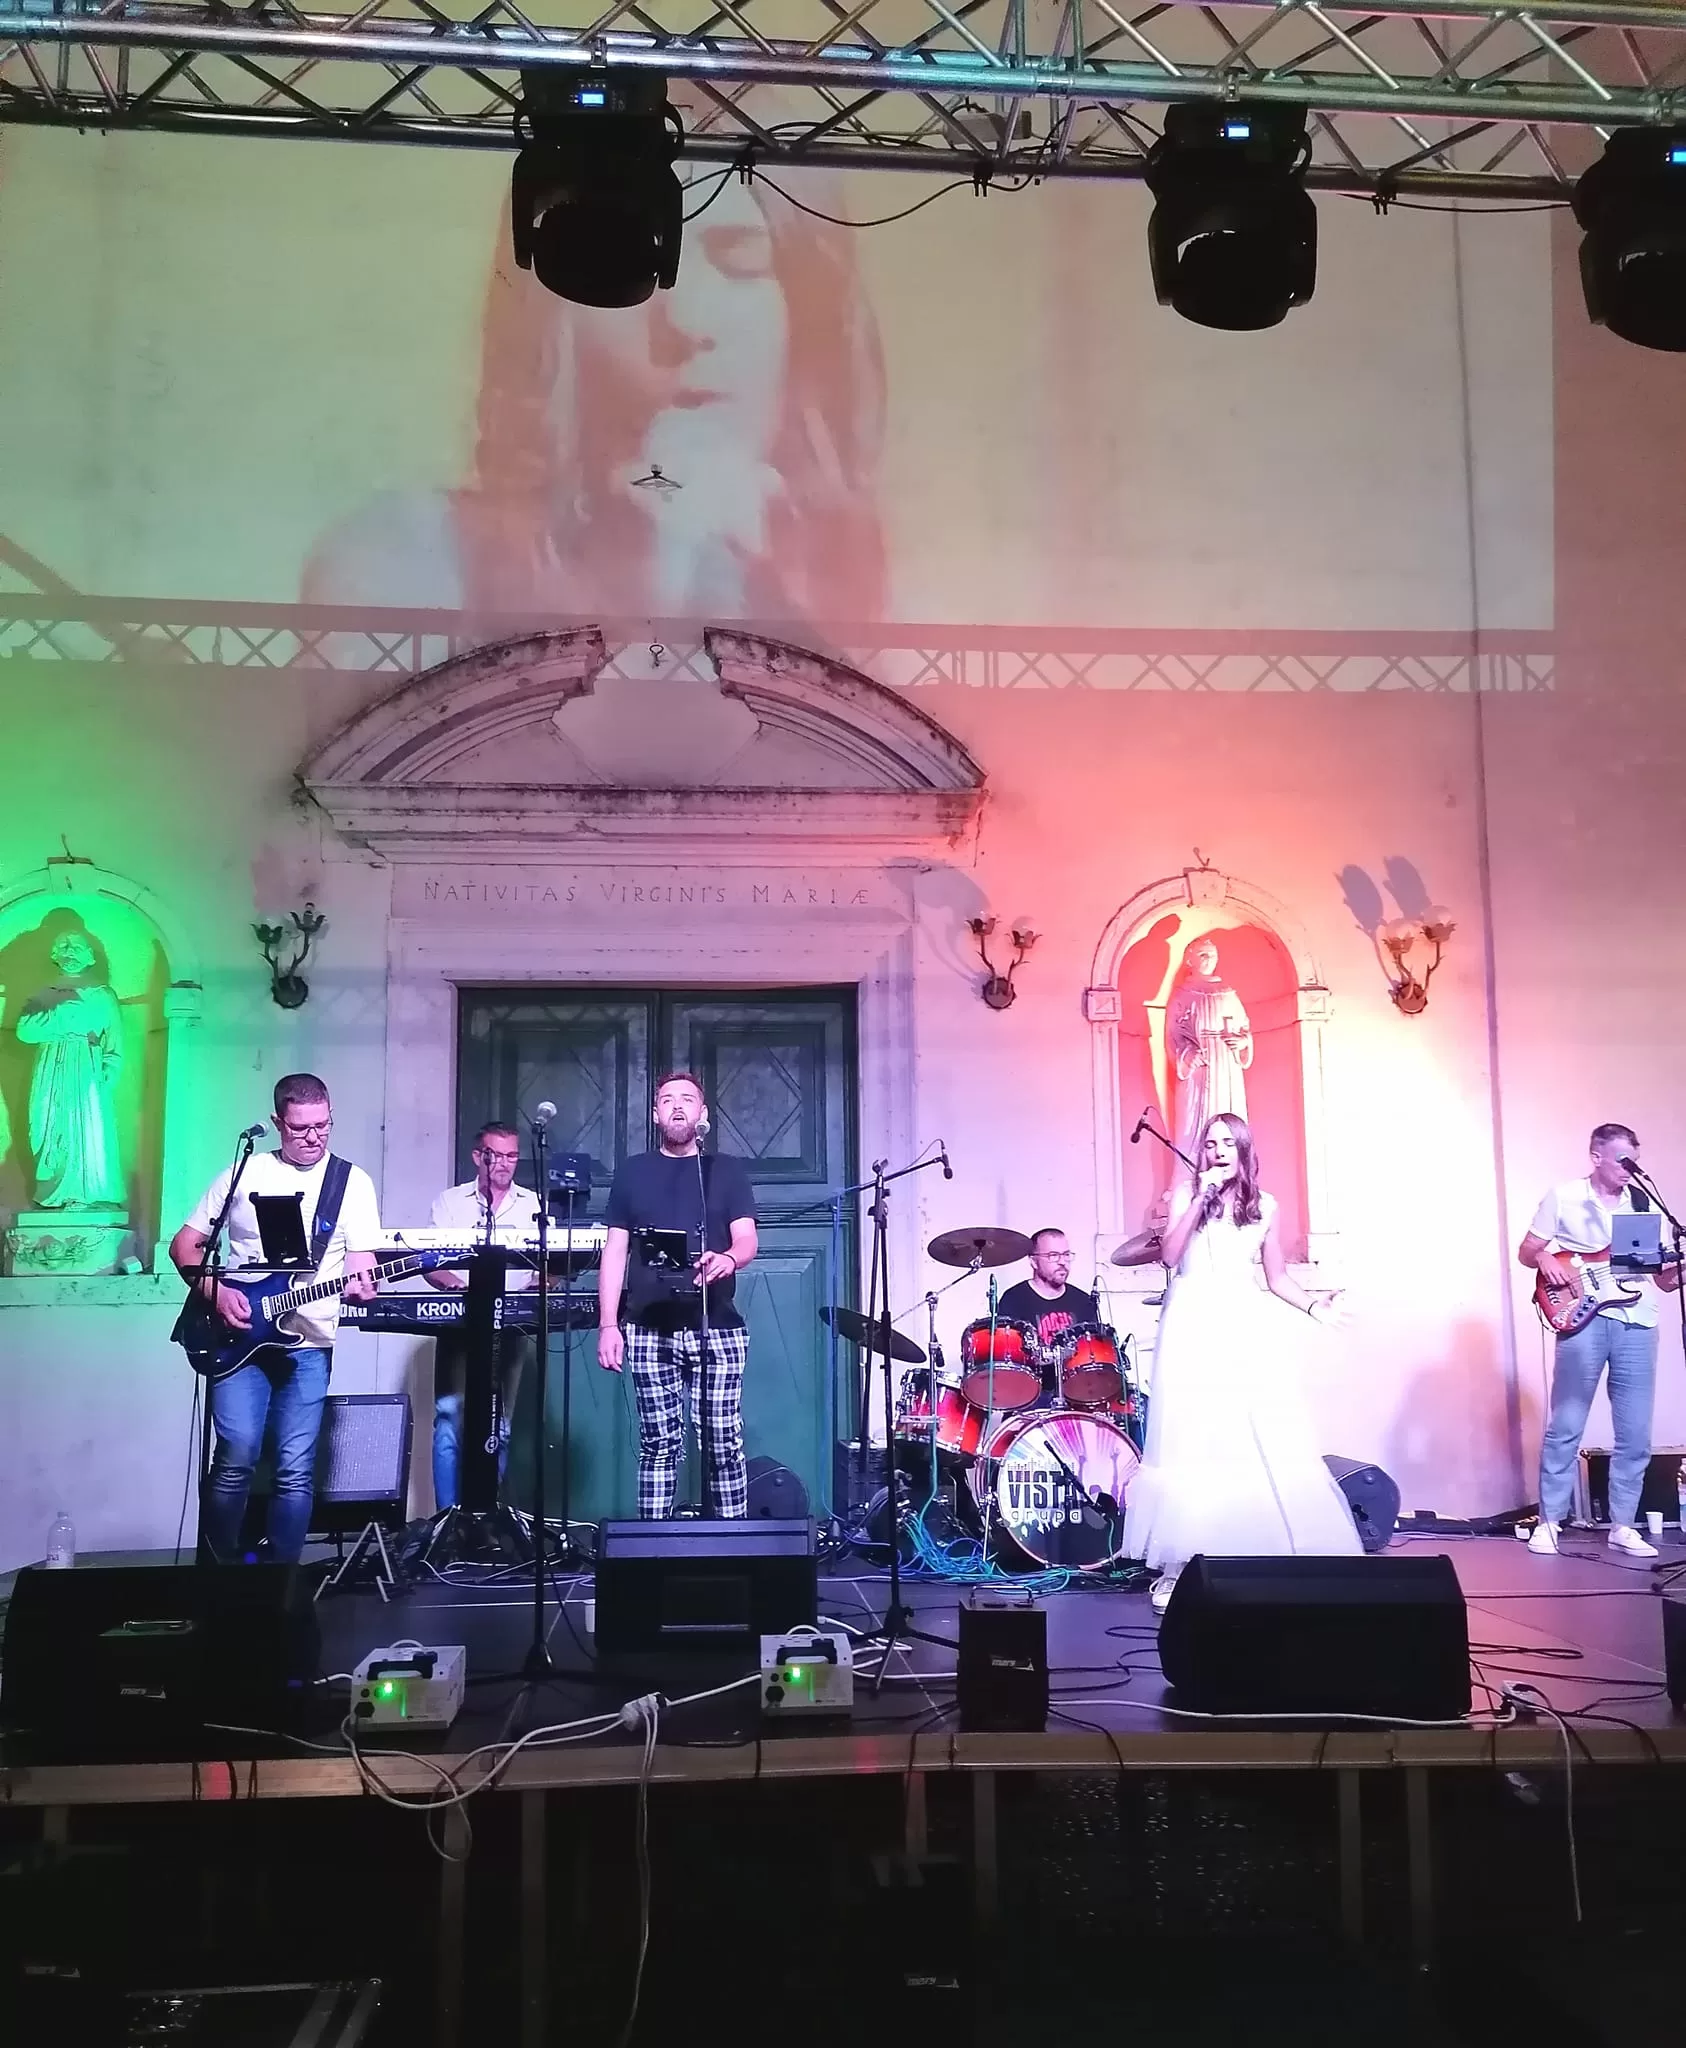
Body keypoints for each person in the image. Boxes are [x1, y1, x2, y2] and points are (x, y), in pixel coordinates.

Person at [303, 167, 886, 626]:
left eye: (741, 260)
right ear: (550, 315)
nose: (686, 319)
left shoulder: (883, 596)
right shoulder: (404, 559)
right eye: (626, 268)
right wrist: (664, 572)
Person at [1122, 1112, 1359, 1612]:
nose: (1219, 1151)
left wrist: (1315, 1307)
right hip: (1191, 1322)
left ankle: (1264, 1554)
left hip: (1242, 1320)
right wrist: (1200, 1197)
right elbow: (1169, 1255)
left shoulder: (1265, 1205)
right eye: (1211, 1144)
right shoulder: (1186, 1195)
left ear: (1244, 1149)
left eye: (1228, 1143)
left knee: (1254, 1433)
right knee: (1192, 1435)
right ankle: (1179, 1566)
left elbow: (1277, 1277)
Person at [169, 1074, 380, 1563]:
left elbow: (361, 1263)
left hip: (308, 1343)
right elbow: (185, 1246)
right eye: (301, 1128)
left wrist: (364, 1283)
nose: (314, 1137)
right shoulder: (244, 1172)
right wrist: (215, 1292)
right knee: (236, 1454)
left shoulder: (351, 1182)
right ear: (277, 1122)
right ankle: (217, 1578)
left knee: (294, 1468)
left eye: (323, 1126)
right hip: (239, 1334)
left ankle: (282, 1585)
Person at [596, 1072, 758, 1518]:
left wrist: (729, 1258)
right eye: (668, 1100)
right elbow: (615, 1251)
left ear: (703, 1114)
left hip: (717, 1326)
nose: (678, 1106)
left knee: (722, 1441)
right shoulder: (633, 1172)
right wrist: (608, 1324)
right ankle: (653, 1546)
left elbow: (747, 1239)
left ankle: (733, 1544)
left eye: (688, 1099)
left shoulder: (725, 1171)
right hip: (649, 1328)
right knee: (658, 1443)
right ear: (656, 1114)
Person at [1519, 1123, 1681, 1559]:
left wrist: (1678, 1270)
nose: (1630, 1169)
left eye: (1635, 1161)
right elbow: (1527, 1250)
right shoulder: (1565, 1196)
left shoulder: (1644, 1203)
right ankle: (1550, 1521)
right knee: (1566, 1424)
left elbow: (1661, 1280)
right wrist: (1546, 1257)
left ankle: (1623, 1525)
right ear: (1596, 1157)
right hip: (1583, 1317)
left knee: (1635, 1433)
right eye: (1622, 1160)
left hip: (1637, 1319)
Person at [422, 1121, 542, 1509]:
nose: (504, 1163)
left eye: (512, 1156)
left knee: (499, 1426)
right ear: (478, 1157)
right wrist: (455, 1285)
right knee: (448, 1419)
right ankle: (446, 1521)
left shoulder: (533, 1205)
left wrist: (538, 1286)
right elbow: (430, 1263)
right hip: (460, 1323)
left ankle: (486, 1519)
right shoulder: (450, 1202)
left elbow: (552, 1265)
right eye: (496, 1155)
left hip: (511, 1324)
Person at [15, 927, 125, 1209]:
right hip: (50, 1068)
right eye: (64, 947)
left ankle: (87, 1192)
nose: (70, 953)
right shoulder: (43, 994)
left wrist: (109, 1067)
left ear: (90, 956)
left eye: (76, 947)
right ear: (55, 955)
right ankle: (53, 1190)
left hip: (87, 1068)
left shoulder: (102, 995)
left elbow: (115, 1040)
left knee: (86, 1127)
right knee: (48, 1123)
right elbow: (25, 1031)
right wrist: (59, 1015)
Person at [1167, 936, 1253, 1160]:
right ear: (1190, 960)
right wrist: (1187, 1055)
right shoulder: (1182, 994)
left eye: (1212, 955)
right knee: (1193, 1119)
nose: (1208, 959)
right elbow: (1172, 1034)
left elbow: (1244, 1026)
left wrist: (1243, 1042)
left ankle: (1232, 1168)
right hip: (1199, 1066)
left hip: (1226, 1064)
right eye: (1202, 954)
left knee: (1228, 1115)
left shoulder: (1228, 993)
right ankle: (1192, 1168)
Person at [997, 1228, 1100, 1352]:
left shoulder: (1083, 1301)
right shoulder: (1013, 1299)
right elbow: (1008, 1352)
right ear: (1034, 1262)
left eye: (1066, 1255)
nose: (1062, 1262)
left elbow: (1093, 1353)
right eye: (1053, 1255)